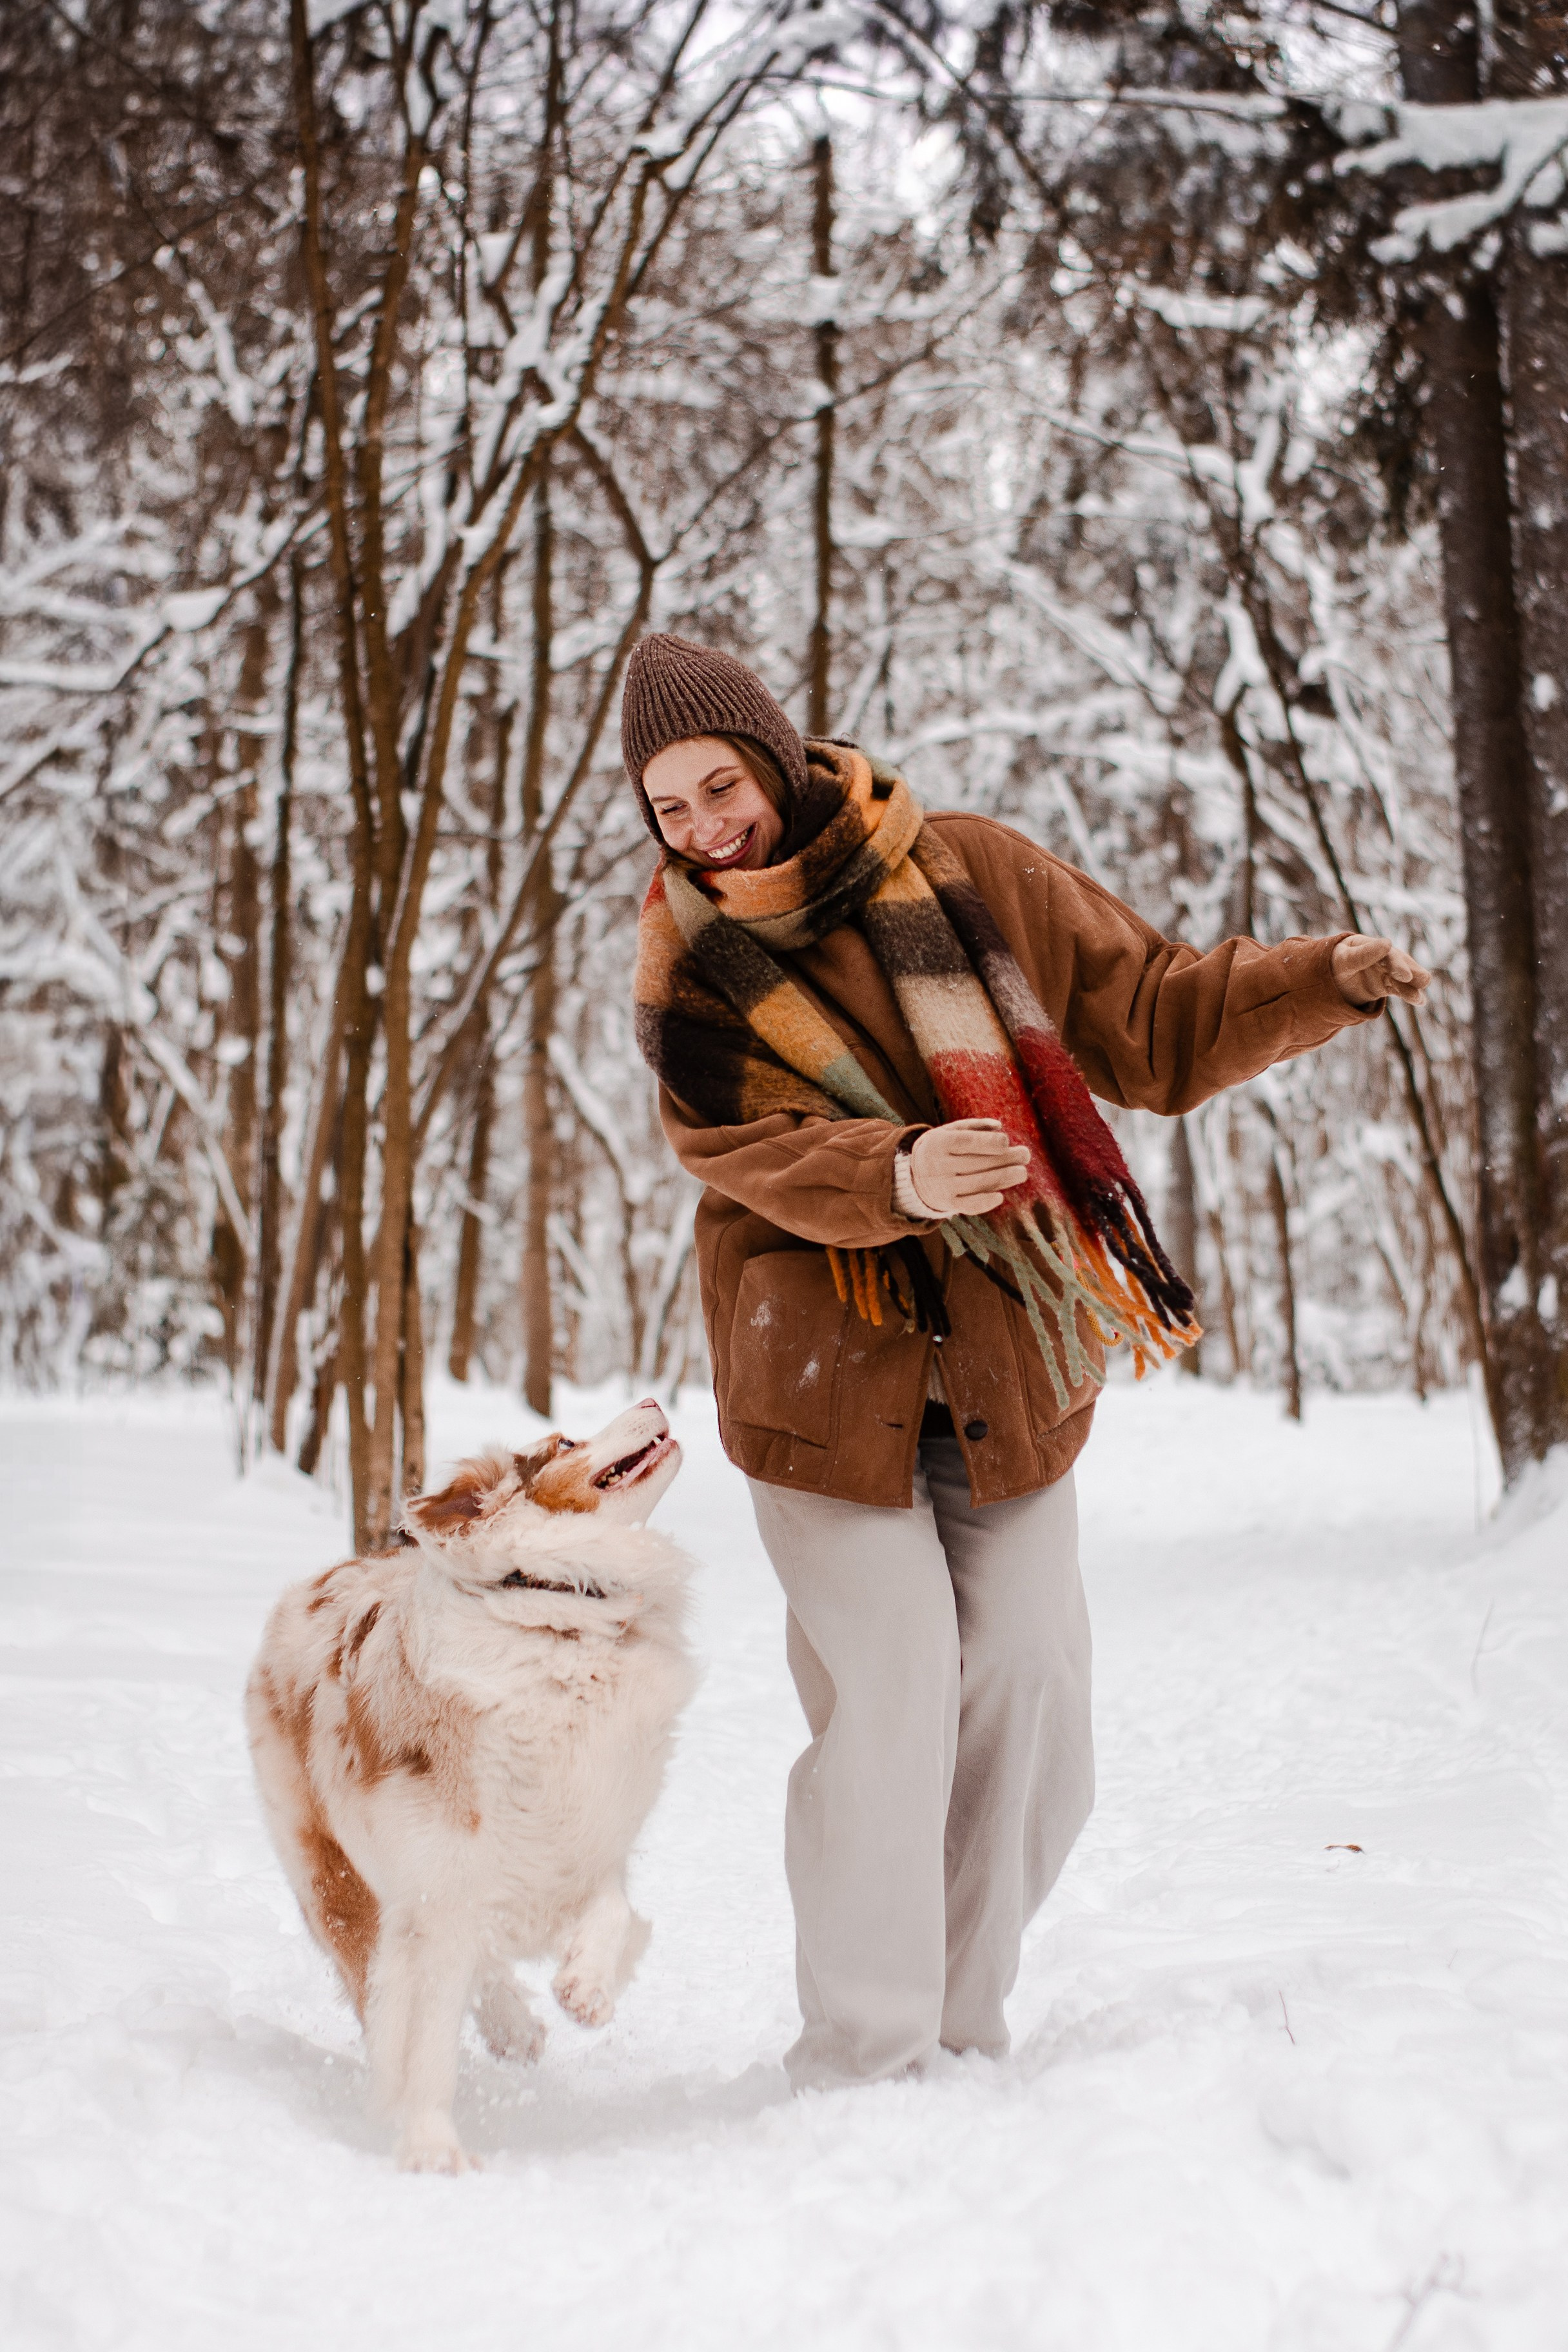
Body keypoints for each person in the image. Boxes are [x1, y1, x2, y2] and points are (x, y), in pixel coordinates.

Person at [624, 631, 1430, 2090]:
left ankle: (957, 2030)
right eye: (666, 806)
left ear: (778, 757)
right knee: (896, 1696)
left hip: (1006, 1362)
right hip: (821, 1381)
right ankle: (862, 2062)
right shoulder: (694, 958)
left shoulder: (971, 870)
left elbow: (1154, 1014)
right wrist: (900, 1171)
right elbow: (736, 1149)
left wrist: (1326, 979)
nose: (700, 830)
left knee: (1029, 1685)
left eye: (717, 785)